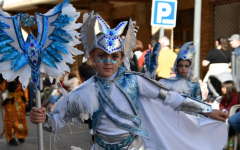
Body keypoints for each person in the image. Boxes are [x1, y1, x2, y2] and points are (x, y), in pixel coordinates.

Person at [30, 13, 228, 150]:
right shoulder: (82, 92)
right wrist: (43, 118)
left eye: (114, 56)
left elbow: (173, 99)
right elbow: (56, 122)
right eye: (102, 56)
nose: (108, 61)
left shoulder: (134, 81)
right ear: (91, 56)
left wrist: (208, 110)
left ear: (122, 57)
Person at [2, 77, 29, 146]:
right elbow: (3, 87)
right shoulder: (8, 76)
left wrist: (26, 99)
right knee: (10, 120)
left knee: (20, 119)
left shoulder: (22, 75)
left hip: (20, 100)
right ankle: (11, 138)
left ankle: (20, 134)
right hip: (10, 100)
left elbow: (25, 87)